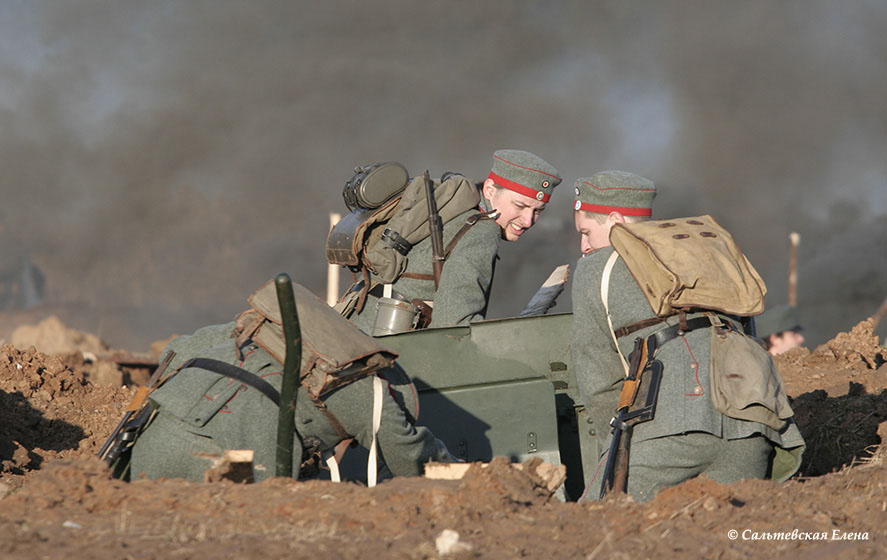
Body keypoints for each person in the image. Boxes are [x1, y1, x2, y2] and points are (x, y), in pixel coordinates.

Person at [570, 170, 805, 502]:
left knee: (589, 526)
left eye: (586, 232)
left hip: (665, 434)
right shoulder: (708, 250)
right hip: (752, 429)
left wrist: (617, 447)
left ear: (616, 220)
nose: (584, 246)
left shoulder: (597, 268)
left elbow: (600, 382)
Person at [126, 281, 457, 483]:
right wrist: (475, 473)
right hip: (221, 468)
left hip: (149, 443)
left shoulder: (277, 324)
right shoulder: (368, 386)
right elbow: (411, 458)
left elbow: (177, 350)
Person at [348, 149, 561, 334]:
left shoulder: (454, 212)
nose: (528, 220)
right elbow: (455, 325)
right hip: (385, 356)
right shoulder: (482, 231)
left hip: (356, 326)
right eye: (520, 206)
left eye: (538, 211)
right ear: (489, 190)